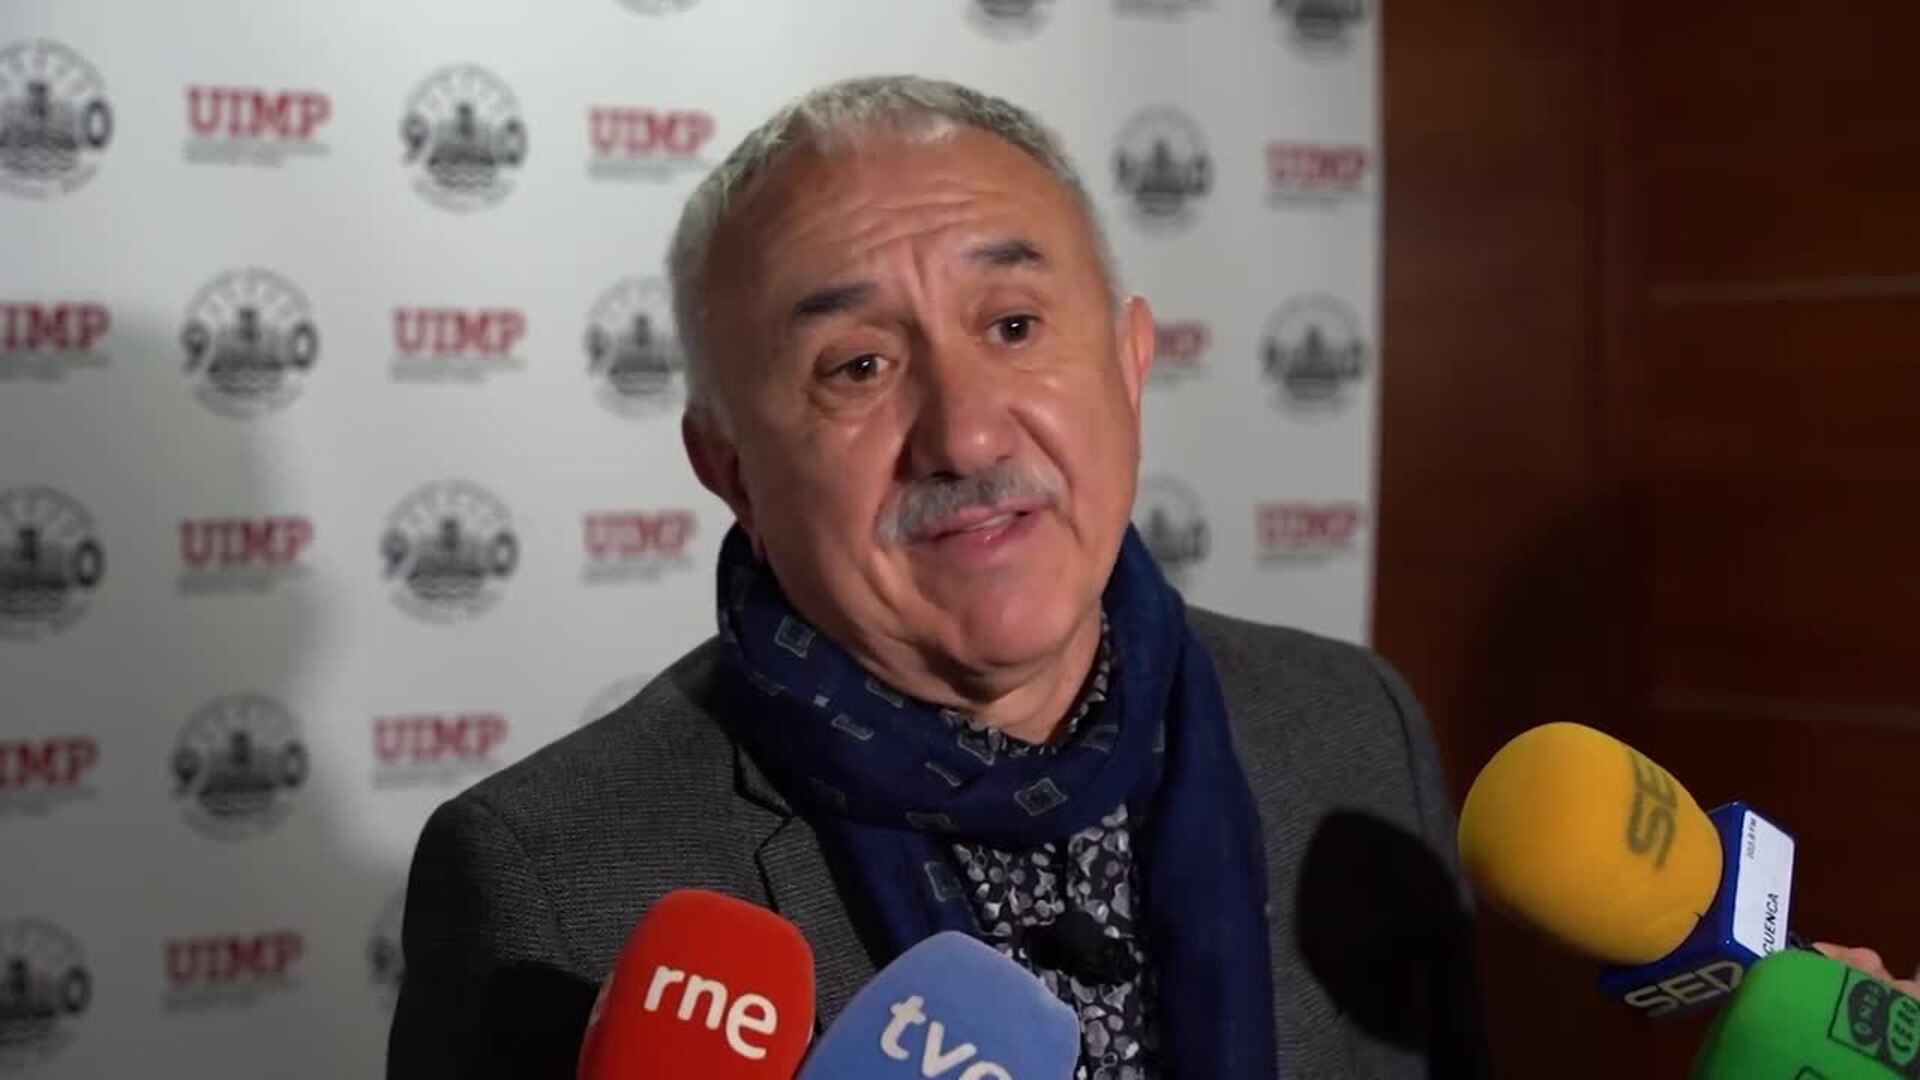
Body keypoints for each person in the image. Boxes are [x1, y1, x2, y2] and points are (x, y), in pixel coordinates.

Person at [388, 75, 1487, 1079]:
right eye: (858, 366)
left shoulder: (1352, 730)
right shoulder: (552, 880)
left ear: (1129, 363)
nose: (965, 436)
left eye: (1013, 325)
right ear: (730, 470)